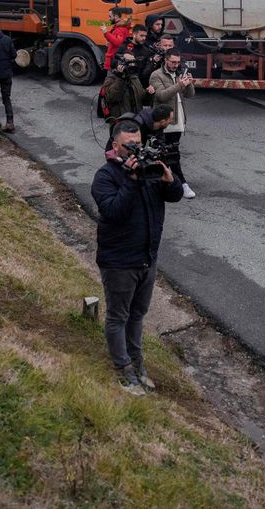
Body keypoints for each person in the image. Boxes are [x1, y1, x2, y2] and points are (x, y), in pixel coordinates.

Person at [89, 119, 182, 394]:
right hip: (119, 261)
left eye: (139, 144)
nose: (136, 150)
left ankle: (138, 362)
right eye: (130, 146)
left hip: (147, 258)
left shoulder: (148, 169)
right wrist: (131, 180)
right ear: (116, 146)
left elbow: (175, 196)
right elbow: (113, 211)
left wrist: (170, 179)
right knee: (118, 316)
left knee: (138, 315)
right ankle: (123, 367)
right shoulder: (105, 176)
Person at [148, 48, 196, 198]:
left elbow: (190, 95)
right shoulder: (156, 75)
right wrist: (179, 85)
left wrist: (189, 84)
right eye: (173, 62)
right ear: (166, 61)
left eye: (178, 62)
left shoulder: (180, 73)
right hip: (163, 122)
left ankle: (165, 181)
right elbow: (161, 96)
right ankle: (182, 184)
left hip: (178, 120)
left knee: (169, 154)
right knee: (170, 154)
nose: (176, 65)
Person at [102, 50, 144, 120]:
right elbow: (112, 98)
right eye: (128, 61)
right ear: (119, 63)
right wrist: (120, 78)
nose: (131, 64)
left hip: (135, 119)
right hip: (120, 121)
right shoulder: (111, 78)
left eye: (132, 61)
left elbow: (141, 97)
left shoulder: (134, 78)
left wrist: (150, 93)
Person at [100, 6, 131, 71]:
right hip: (117, 60)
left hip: (115, 61)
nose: (109, 19)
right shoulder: (119, 27)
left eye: (110, 16)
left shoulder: (119, 29)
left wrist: (106, 33)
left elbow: (118, 43)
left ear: (116, 16)